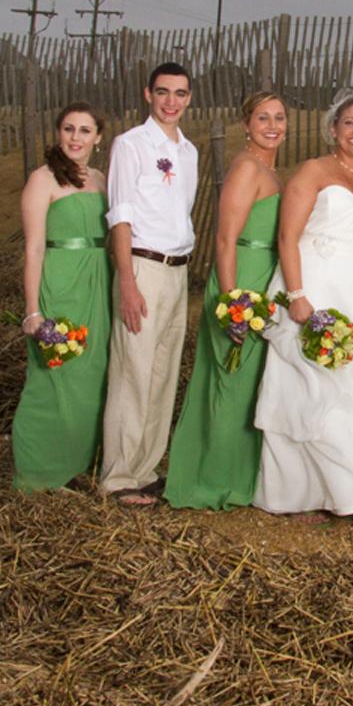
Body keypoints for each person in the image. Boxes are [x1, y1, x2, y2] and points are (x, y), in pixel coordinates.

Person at [254, 91, 353, 535]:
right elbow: (287, 237)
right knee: (310, 386)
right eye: (350, 123)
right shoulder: (312, 171)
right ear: (333, 128)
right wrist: (297, 294)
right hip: (313, 281)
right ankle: (314, 494)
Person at [164, 92, 287, 510]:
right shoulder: (246, 168)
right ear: (245, 124)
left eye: (279, 118)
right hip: (241, 281)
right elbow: (224, 239)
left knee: (252, 385)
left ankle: (242, 473)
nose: (272, 126)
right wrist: (233, 301)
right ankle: (212, 477)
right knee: (229, 381)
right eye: (262, 118)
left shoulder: (275, 172)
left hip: (265, 279)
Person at [99, 63, 197, 507]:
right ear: (147, 94)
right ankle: (118, 476)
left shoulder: (190, 151)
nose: (170, 101)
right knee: (132, 370)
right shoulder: (130, 145)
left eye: (179, 93)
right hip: (142, 267)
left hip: (178, 271)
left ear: (189, 98)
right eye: (162, 92)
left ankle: (145, 467)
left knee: (162, 372)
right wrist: (127, 281)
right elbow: (120, 213)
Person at [12, 103, 110, 491]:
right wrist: (32, 309)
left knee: (93, 375)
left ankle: (77, 464)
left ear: (98, 138)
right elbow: (34, 248)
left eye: (85, 130)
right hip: (62, 282)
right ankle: (37, 470)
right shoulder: (43, 179)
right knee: (55, 374)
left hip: (99, 284)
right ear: (58, 133)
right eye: (69, 129)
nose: (76, 138)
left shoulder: (102, 179)